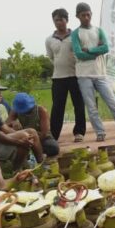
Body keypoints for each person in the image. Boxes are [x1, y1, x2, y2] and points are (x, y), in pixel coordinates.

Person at [71, 2, 115, 141]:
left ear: (91, 14)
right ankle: (100, 133)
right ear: (78, 16)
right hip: (84, 75)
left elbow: (106, 48)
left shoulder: (98, 31)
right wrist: (96, 52)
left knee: (113, 103)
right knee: (92, 108)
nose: (86, 17)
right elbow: (78, 53)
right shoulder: (76, 34)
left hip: (100, 74)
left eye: (88, 14)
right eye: (83, 15)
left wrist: (90, 50)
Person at [46, 8, 87, 142]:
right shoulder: (49, 40)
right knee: (57, 107)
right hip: (58, 78)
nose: (59, 23)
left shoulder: (75, 36)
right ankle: (54, 135)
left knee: (79, 104)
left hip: (76, 75)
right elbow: (52, 57)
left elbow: (81, 53)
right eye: (56, 20)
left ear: (67, 20)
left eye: (61, 19)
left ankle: (79, 132)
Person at [7, 92, 60, 157]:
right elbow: (6, 125)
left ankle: (34, 152)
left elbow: (44, 133)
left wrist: (33, 142)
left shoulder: (41, 111)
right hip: (25, 137)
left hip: (42, 139)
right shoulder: (16, 111)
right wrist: (13, 123)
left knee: (53, 148)